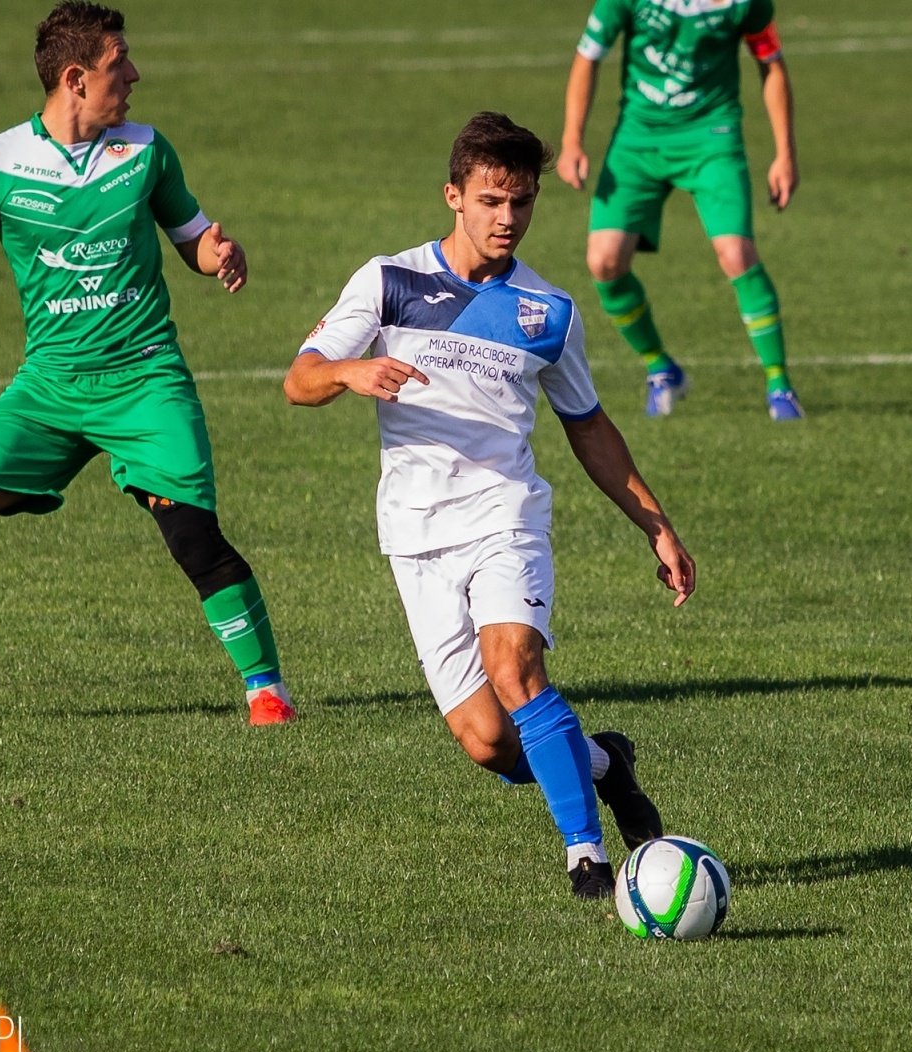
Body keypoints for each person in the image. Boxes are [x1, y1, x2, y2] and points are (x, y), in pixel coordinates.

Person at [285, 113, 694, 898]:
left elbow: (591, 428)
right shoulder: (388, 281)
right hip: (414, 535)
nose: (508, 218)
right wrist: (347, 373)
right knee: (486, 741)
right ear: (455, 196)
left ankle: (588, 856)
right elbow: (299, 378)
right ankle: (604, 760)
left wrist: (658, 526)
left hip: (506, 518)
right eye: (492, 199)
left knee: (516, 665)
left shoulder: (550, 312)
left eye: (523, 202)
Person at [0, 1, 295, 726]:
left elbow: (192, 237)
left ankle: (267, 692)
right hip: (48, 386)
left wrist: (219, 255)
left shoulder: (146, 151)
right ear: (75, 78)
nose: (134, 75)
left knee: (193, 535)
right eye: (118, 65)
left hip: (144, 379)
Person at [558, 0, 803, 420]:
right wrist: (572, 140)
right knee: (604, 261)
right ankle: (661, 367)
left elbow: (771, 64)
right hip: (638, 140)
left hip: (712, 136)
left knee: (736, 255)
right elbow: (588, 56)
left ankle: (780, 386)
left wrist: (785, 153)